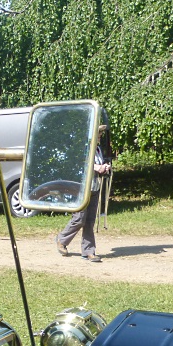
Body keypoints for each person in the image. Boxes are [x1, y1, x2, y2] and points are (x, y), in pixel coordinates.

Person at [56, 111, 113, 262]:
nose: (100, 135)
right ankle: (62, 239)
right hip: (81, 187)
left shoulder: (98, 150)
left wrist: (104, 167)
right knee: (79, 218)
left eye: (100, 133)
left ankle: (88, 251)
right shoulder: (83, 147)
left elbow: (97, 165)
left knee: (90, 221)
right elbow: (80, 164)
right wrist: (96, 167)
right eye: (97, 133)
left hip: (94, 186)